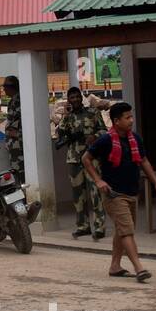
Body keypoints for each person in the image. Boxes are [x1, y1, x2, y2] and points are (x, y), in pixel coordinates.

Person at [82, 102, 156, 282]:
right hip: (113, 193)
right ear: (116, 121)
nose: (131, 120)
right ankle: (139, 268)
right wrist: (98, 180)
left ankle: (115, 266)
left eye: (131, 116)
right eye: (127, 118)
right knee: (127, 231)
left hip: (131, 192)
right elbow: (86, 159)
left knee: (122, 230)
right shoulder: (105, 140)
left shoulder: (134, 139)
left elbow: (143, 161)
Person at [56, 86, 107, 239]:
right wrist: (66, 113)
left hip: (92, 159)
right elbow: (60, 132)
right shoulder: (68, 116)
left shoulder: (93, 113)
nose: (75, 99)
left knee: (96, 193)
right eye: (72, 97)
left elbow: (104, 130)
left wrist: (94, 136)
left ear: (81, 97)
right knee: (78, 195)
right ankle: (83, 226)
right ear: (69, 100)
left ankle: (99, 227)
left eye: (77, 97)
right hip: (74, 159)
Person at [2, 75, 24, 183]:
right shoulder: (13, 101)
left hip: (18, 144)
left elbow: (24, 120)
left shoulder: (19, 100)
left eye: (5, 86)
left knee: (19, 173)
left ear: (11, 87)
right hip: (13, 144)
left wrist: (19, 134)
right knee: (15, 172)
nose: (4, 89)